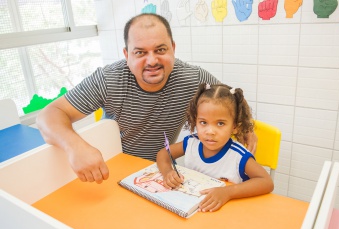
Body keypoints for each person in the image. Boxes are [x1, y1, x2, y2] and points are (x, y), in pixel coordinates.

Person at [36, 13, 257, 184]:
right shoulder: (109, 79)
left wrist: (247, 127)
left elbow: (230, 99)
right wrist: (76, 147)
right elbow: (48, 115)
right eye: (140, 52)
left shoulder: (194, 79)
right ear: (127, 55)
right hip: (112, 170)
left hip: (160, 171)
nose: (152, 61)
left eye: (160, 49)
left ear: (173, 48)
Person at [156, 83, 273, 212]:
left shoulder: (238, 156)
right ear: (195, 121)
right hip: (194, 209)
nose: (210, 131)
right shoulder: (191, 142)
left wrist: (227, 192)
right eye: (203, 122)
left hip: (226, 213)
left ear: (234, 126)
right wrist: (167, 172)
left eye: (220, 123)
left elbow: (266, 182)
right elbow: (163, 154)